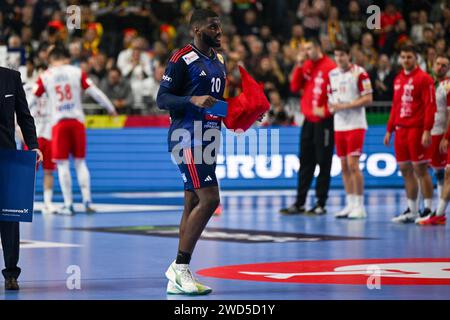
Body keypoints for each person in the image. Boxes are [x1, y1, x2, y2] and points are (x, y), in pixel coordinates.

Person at [156, 9, 225, 295]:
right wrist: (191, 99)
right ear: (197, 29)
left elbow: (214, 103)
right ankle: (180, 267)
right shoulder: (181, 58)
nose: (219, 31)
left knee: (192, 201)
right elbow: (162, 99)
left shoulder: (220, 60)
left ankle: (178, 276)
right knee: (210, 199)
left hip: (210, 135)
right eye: (213, 27)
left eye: (219, 27)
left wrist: (243, 112)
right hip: (187, 136)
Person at [31, 46, 117, 215]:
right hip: (77, 122)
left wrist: (16, 113)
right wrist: (110, 107)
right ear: (66, 58)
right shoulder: (76, 72)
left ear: (52, 59)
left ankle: (68, 204)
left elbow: (32, 98)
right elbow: (95, 92)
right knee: (80, 162)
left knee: (62, 165)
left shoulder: (46, 75)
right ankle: (87, 201)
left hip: (59, 124)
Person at [279, 38, 336, 215]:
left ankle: (320, 203)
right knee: (305, 162)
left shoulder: (330, 67)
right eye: (304, 49)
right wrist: (298, 64)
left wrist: (326, 110)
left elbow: (337, 94)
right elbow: (295, 86)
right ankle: (300, 202)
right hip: (308, 121)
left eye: (309, 48)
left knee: (323, 163)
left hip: (324, 122)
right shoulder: (307, 65)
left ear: (318, 47)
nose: (306, 52)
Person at [0, 66, 43, 290]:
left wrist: (33, 146)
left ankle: (11, 274)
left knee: (9, 217)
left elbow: (25, 116)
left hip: (7, 158)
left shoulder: (11, 77)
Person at [384, 45, 436, 223]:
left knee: (420, 169)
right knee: (405, 170)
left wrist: (427, 130)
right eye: (403, 57)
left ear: (416, 59)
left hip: (417, 130)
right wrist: (389, 130)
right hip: (400, 130)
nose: (406, 60)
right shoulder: (398, 79)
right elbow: (395, 106)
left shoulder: (424, 79)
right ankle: (412, 210)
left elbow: (430, 106)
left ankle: (428, 209)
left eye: (409, 57)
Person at [328, 44, 373, 219]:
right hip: (339, 124)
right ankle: (350, 203)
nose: (339, 59)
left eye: (342, 55)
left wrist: (345, 106)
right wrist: (332, 107)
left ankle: (360, 206)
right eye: (336, 55)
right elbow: (330, 98)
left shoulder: (360, 73)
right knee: (344, 166)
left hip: (356, 124)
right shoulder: (332, 74)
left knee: (354, 165)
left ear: (349, 55)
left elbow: (368, 99)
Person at [417, 55, 450, 225]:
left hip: (442, 134)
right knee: (438, 173)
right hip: (431, 132)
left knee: (446, 174)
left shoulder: (448, 85)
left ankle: (439, 212)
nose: (440, 67)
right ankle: (435, 210)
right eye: (438, 64)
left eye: (444, 65)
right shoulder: (428, 82)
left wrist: (446, 136)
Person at [24, 64, 57, 214]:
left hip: (49, 134)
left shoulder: (54, 89)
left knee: (49, 170)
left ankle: (48, 203)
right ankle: (25, 202)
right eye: (41, 72)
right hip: (33, 135)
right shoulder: (28, 88)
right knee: (28, 172)